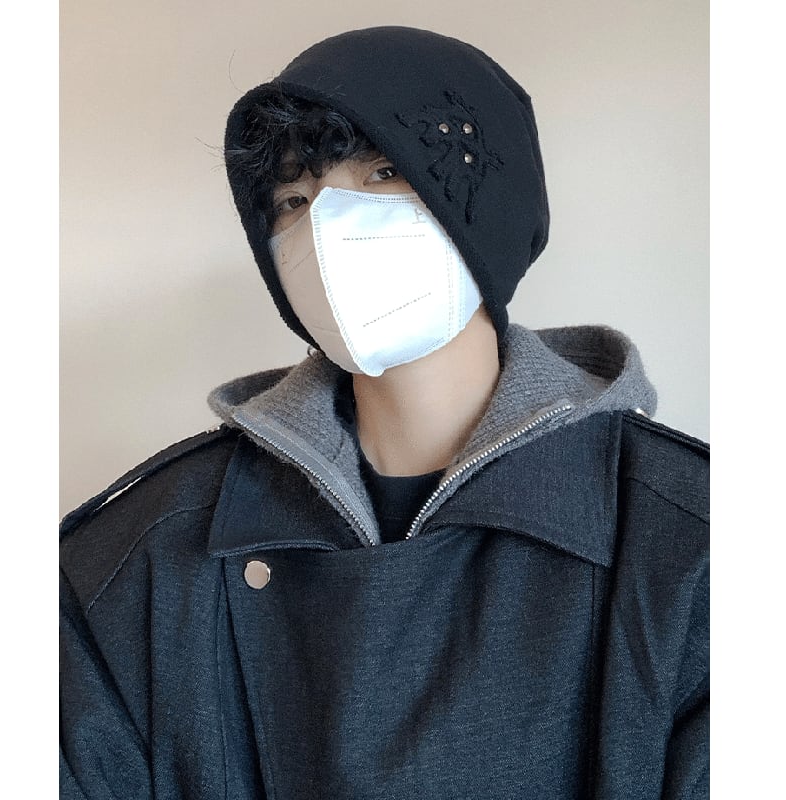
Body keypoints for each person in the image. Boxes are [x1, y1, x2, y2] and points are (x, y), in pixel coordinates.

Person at [60, 26, 709, 799]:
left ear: (491, 206)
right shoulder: (146, 554)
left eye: (384, 172)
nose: (330, 227)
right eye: (294, 199)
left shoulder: (688, 542)